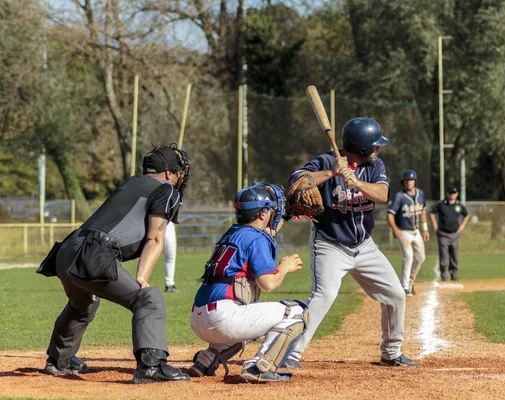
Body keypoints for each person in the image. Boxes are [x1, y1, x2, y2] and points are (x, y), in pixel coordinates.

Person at [37, 145, 192, 384]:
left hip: (66, 249)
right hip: (93, 252)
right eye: (178, 172)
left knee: (83, 305)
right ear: (169, 174)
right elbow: (155, 238)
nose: (180, 177)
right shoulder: (166, 189)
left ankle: (60, 360)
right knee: (148, 299)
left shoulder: (131, 183)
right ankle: (151, 365)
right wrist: (142, 277)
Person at [283, 117, 418, 369]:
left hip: (364, 246)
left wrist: (355, 182)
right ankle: (290, 353)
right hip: (330, 244)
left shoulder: (374, 165)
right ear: (362, 147)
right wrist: (331, 172)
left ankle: (391, 352)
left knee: (396, 294)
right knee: (324, 296)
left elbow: (382, 194)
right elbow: (296, 180)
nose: (378, 149)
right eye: (375, 145)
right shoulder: (325, 161)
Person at [189, 182, 307, 382]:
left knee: (244, 323)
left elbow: (264, 234)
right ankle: (261, 366)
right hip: (222, 319)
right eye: (271, 209)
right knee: (297, 311)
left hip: (199, 317)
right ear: (262, 214)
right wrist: (284, 267)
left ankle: (207, 359)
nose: (274, 213)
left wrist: (286, 216)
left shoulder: (234, 233)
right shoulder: (256, 239)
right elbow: (268, 284)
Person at [387, 170, 429, 297]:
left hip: (416, 231)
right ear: (403, 182)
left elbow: (423, 212)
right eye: (406, 180)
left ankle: (410, 281)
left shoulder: (420, 194)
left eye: (411, 180)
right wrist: (394, 229)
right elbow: (390, 214)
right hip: (403, 231)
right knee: (408, 256)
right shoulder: (399, 196)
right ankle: (404, 287)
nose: (409, 182)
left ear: (415, 181)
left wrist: (425, 229)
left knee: (421, 257)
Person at [430, 186, 469, 281]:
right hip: (443, 234)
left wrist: (462, 226)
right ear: (447, 193)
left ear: (457, 194)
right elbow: (431, 213)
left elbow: (466, 215)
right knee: (443, 255)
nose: (452, 195)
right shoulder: (441, 204)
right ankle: (444, 275)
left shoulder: (459, 205)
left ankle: (454, 274)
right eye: (450, 193)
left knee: (454, 255)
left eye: (454, 193)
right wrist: (435, 225)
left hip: (455, 234)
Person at [164, 222, 180, 292]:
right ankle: (140, 284)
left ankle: (169, 285)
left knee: (170, 255)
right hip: (151, 222)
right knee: (146, 256)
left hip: (168, 223)